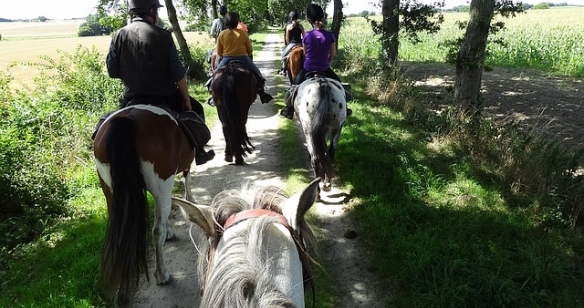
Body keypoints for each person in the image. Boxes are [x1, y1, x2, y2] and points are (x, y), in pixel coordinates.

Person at [105, 0, 214, 165]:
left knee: (108, 125)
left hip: (132, 97)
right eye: (156, 9)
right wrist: (185, 100)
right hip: (165, 96)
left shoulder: (118, 35)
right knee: (197, 108)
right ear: (151, 10)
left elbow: (112, 71)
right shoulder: (163, 35)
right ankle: (199, 152)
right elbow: (178, 75)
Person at [280, 3, 352, 119]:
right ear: (322, 18)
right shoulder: (330, 35)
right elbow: (332, 54)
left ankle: (289, 109)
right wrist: (326, 61)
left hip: (308, 68)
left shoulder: (307, 35)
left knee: (292, 88)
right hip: (324, 68)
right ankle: (345, 108)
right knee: (342, 87)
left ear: (309, 20)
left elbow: (306, 53)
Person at [211, 11, 273, 105]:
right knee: (257, 73)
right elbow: (250, 50)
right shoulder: (243, 34)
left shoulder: (222, 34)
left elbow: (219, 52)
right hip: (243, 58)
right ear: (237, 22)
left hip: (227, 58)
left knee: (215, 75)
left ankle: (213, 94)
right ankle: (262, 92)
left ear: (226, 22)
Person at [280, 11, 305, 75]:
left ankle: (283, 70)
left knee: (283, 55)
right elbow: (304, 36)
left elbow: (287, 39)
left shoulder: (288, 27)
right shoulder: (300, 26)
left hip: (292, 44)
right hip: (300, 43)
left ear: (291, 18)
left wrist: (288, 46)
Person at [209, 5, 228, 71]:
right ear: (226, 12)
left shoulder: (216, 21)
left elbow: (212, 33)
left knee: (212, 55)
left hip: (218, 43)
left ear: (220, 12)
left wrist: (217, 38)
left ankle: (212, 71)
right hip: (229, 42)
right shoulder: (229, 21)